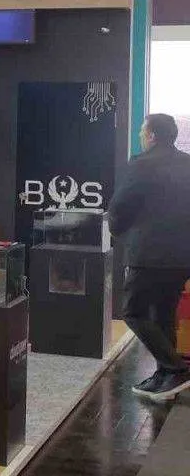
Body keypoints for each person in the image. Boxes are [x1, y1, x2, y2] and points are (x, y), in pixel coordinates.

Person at [109, 113, 190, 400]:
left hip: (149, 255)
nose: (141, 136)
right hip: (182, 256)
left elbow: (119, 207)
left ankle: (175, 368)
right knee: (163, 313)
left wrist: (118, 232)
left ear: (152, 135)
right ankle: (165, 375)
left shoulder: (141, 164)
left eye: (143, 131)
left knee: (133, 312)